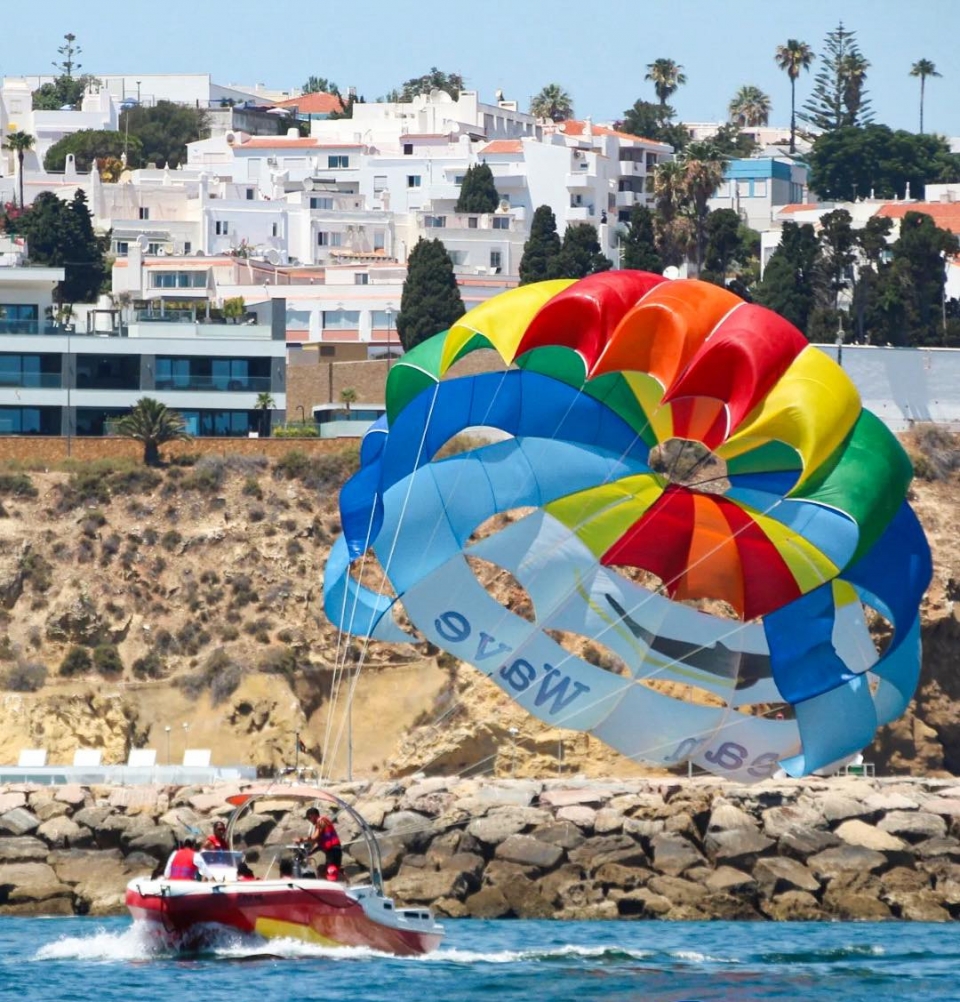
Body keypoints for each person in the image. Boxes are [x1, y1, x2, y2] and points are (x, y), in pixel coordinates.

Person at [296, 807, 342, 880]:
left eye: (309, 818)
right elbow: (317, 843)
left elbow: (315, 837)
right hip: (332, 851)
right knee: (323, 870)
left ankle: (332, 887)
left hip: (333, 850)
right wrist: (307, 853)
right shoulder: (323, 824)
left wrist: (301, 839)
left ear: (313, 815)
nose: (309, 820)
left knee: (331, 871)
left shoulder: (321, 821)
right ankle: (344, 882)